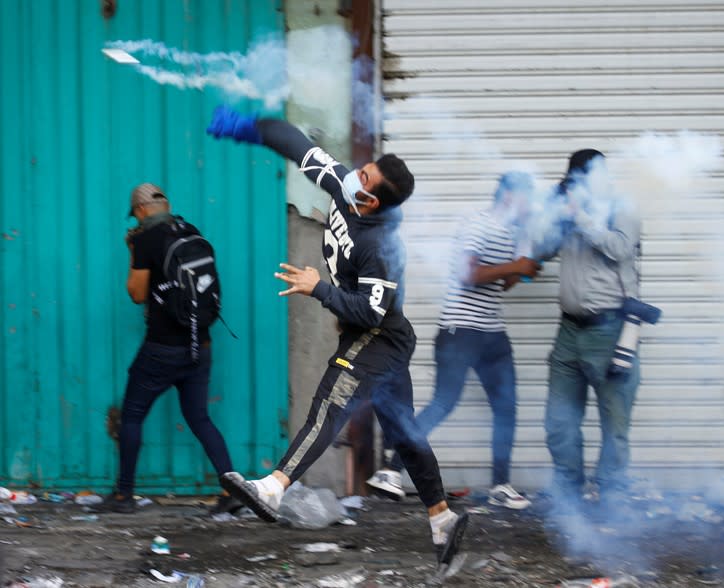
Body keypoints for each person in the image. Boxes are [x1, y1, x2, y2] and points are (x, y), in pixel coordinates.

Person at [206, 106, 468, 565]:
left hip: (379, 338)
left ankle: (271, 488)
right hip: (374, 336)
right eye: (360, 170)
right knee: (405, 434)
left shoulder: (382, 248)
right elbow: (295, 143)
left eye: (363, 177)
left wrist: (319, 288)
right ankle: (443, 518)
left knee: (331, 401)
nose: (352, 175)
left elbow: (372, 311)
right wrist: (250, 129)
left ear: (372, 201)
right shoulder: (345, 186)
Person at [367, 172, 540, 509]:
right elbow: (468, 274)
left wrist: (522, 270)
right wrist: (515, 265)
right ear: (507, 196)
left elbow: (501, 284)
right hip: (460, 330)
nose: (530, 205)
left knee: (506, 407)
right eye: (525, 197)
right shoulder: (479, 224)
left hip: (491, 331)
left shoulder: (516, 233)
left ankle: (501, 485)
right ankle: (390, 470)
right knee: (444, 403)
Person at [101, 183, 239, 515]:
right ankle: (232, 490)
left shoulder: (145, 240)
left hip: (163, 348)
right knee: (200, 418)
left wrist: (133, 250)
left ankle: (123, 496)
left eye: (135, 213)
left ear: (142, 210)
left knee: (132, 415)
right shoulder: (191, 231)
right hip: (199, 344)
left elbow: (136, 293)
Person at [541, 149, 642, 509]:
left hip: (610, 331)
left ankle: (611, 500)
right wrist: (548, 216)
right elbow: (540, 250)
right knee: (559, 422)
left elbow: (621, 249)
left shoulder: (621, 208)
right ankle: (570, 499)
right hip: (568, 333)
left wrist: (580, 217)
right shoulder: (569, 211)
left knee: (614, 426)